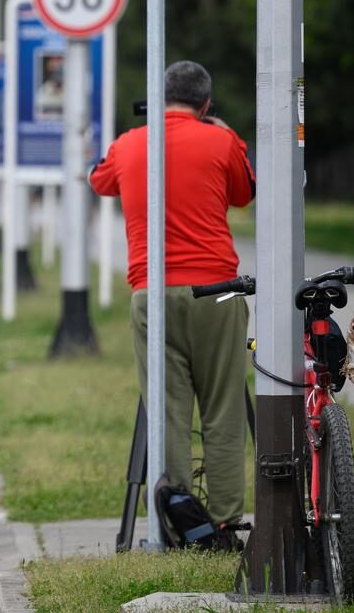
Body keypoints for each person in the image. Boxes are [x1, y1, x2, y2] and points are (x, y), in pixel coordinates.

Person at [89, 60, 255, 542]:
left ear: (160, 99)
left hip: (152, 292)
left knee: (169, 411)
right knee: (223, 408)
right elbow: (245, 192)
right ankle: (224, 520)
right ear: (205, 104)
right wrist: (225, 133)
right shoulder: (222, 140)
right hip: (217, 292)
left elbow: (98, 180)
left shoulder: (128, 143)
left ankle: (181, 520)